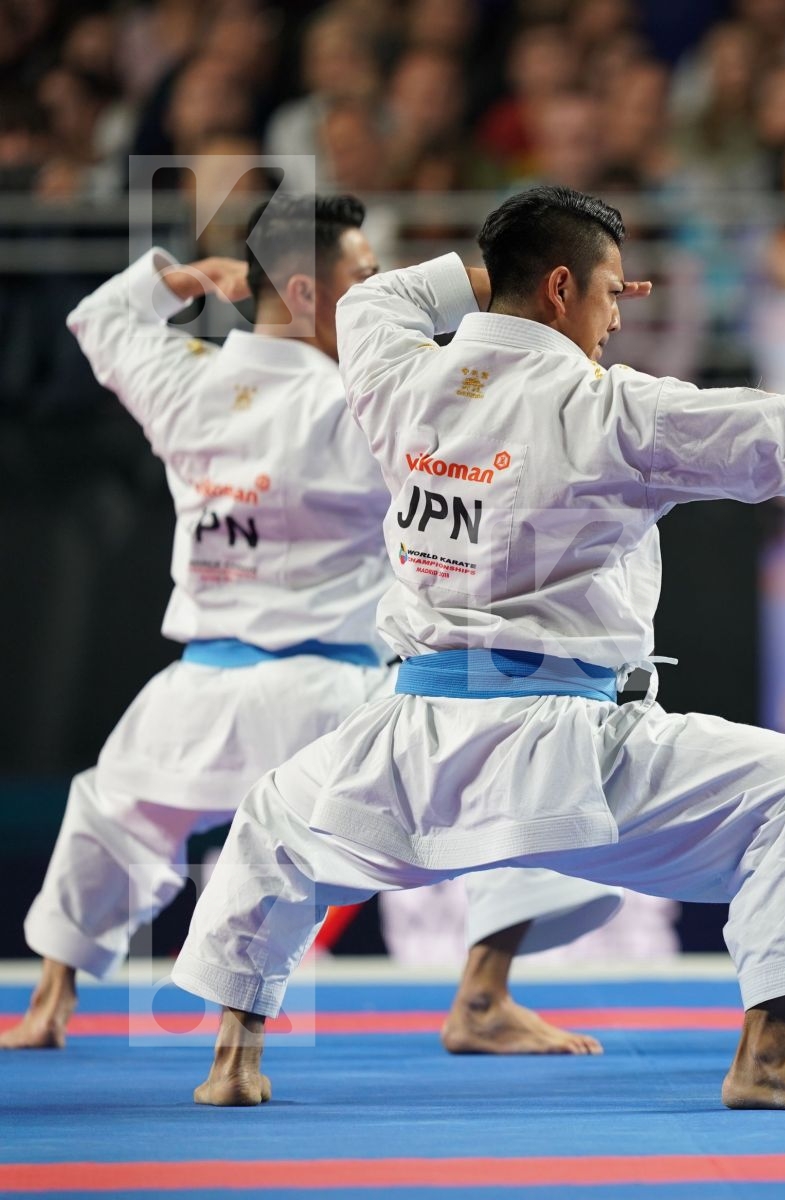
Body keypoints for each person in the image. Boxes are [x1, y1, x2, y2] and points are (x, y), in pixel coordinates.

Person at [169, 184, 785, 1110]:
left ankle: (232, 1059)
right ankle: (770, 1054)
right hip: (560, 744)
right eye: (612, 294)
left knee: (276, 826)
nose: (619, 317)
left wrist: (530, 283)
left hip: (407, 735)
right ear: (563, 289)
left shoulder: (392, 368)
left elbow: (382, 298)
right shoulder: (611, 410)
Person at [4, 193, 624, 1059]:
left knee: (108, 817)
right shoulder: (357, 404)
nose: (378, 289)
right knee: (508, 771)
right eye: (364, 276)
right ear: (303, 293)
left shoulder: (186, 377)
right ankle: (482, 993)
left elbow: (99, 317)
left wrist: (185, 277)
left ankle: (49, 1002)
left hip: (196, 693)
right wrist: (524, 280)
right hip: (336, 698)